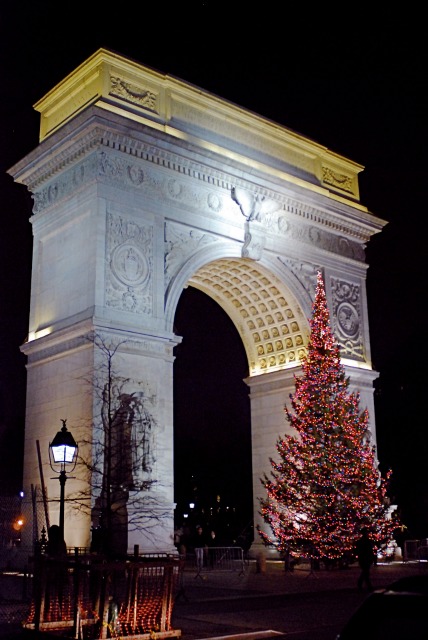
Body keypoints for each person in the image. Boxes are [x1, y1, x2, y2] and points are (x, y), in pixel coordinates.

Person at [355, 527, 376, 591]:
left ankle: (362, 584)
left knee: (365, 572)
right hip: (365, 558)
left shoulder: (361, 541)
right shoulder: (366, 541)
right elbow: (368, 550)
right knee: (366, 572)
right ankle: (367, 586)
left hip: (364, 558)